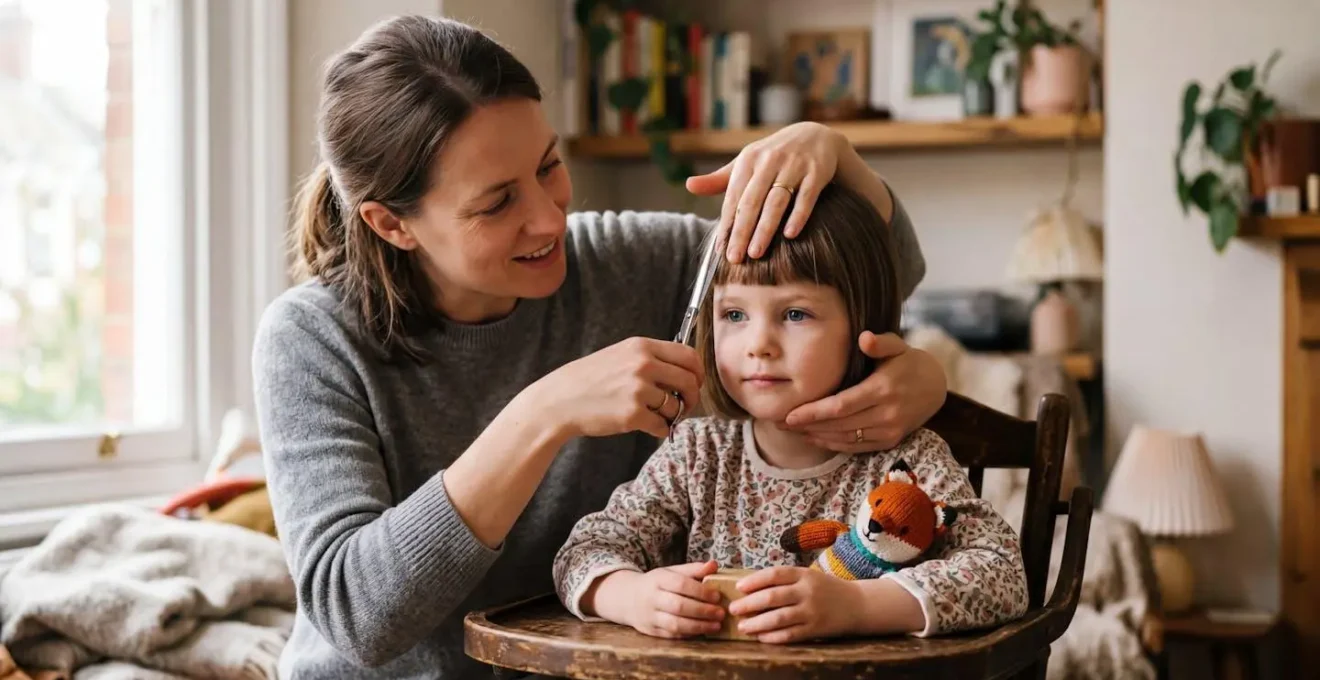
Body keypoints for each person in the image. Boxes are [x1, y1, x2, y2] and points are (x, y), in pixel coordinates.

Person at [251, 14, 949, 680]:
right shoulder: (312, 339)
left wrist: (842, 161)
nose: (549, 217)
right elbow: (357, 617)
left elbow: (880, 273)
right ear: (390, 224)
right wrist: (541, 415)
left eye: (549, 166)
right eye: (497, 203)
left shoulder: (628, 261)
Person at [553, 182, 1028, 643]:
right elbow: (586, 550)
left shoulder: (906, 464)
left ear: (863, 326)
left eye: (795, 314)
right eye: (734, 315)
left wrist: (858, 606)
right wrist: (632, 596)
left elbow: (1002, 573)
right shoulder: (696, 456)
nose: (758, 344)